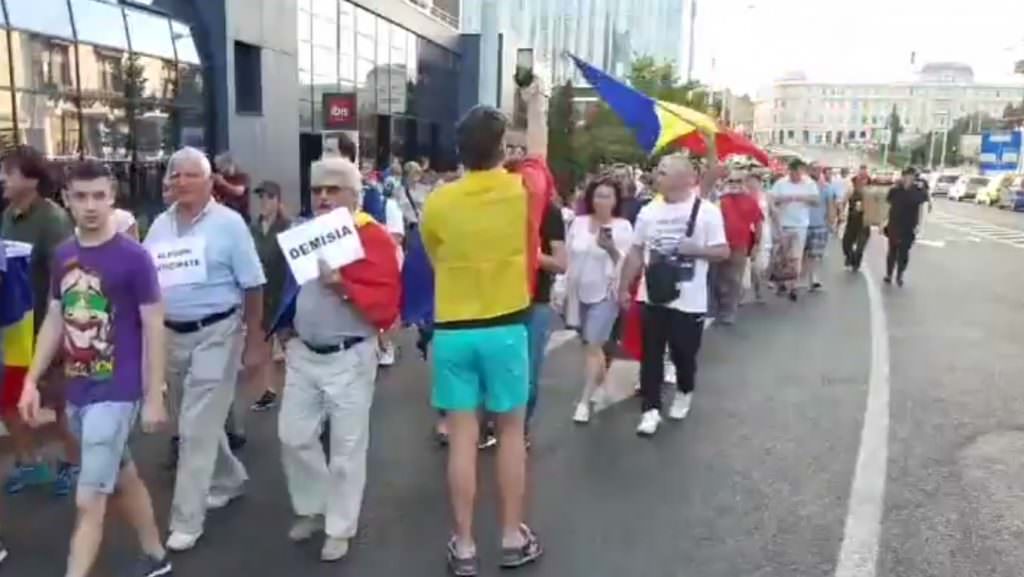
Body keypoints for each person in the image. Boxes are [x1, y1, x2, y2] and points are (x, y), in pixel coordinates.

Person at [20, 161, 172, 577]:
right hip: (78, 390)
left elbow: (154, 324)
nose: (90, 206)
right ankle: (156, 556)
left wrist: (154, 392)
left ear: (112, 198)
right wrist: (32, 380)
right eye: (81, 197)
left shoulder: (134, 258)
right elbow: (56, 316)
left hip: (118, 391)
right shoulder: (64, 254)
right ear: (66, 199)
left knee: (89, 499)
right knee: (122, 474)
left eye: (99, 196)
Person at [421, 105, 545, 575]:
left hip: (454, 328)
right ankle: (513, 537)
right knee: (511, 432)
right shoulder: (522, 190)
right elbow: (539, 155)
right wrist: (534, 103)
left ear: (459, 150)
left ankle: (466, 545)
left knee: (461, 439)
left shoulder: (439, 201)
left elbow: (435, 254)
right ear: (501, 148)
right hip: (507, 326)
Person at [272, 157, 401, 562]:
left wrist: (342, 285)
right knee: (293, 436)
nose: (324, 197)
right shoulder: (303, 233)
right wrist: (283, 327)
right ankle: (315, 506)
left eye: (333, 190)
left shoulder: (373, 237)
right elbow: (288, 286)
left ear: (354, 194)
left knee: (346, 451)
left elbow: (386, 305)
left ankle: (339, 526)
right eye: (317, 190)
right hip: (304, 354)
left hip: (350, 356)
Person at [144, 147, 266, 552]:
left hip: (218, 332)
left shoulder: (230, 225)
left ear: (210, 180)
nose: (180, 182)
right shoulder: (159, 226)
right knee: (195, 420)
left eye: (189, 175)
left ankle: (186, 520)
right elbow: (147, 282)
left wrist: (253, 342)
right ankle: (229, 478)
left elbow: (252, 285)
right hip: (172, 337)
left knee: (196, 428)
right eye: (174, 176)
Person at [618, 152, 729, 437]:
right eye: (658, 170)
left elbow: (722, 251)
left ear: (684, 178)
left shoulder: (706, 211)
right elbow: (635, 251)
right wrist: (623, 287)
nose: (657, 174)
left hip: (689, 300)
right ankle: (650, 409)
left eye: (664, 171)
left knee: (684, 354)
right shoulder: (649, 211)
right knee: (651, 355)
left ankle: (684, 389)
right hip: (652, 295)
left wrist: (697, 251)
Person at [0, 145, 79, 497]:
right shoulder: (8, 215)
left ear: (31, 179)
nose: (2, 178)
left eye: (10, 171)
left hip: (47, 328)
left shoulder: (53, 220)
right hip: (15, 328)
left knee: (60, 402)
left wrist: (62, 333)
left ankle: (76, 465)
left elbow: (67, 278)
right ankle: (30, 463)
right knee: (7, 400)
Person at [564, 177, 631, 423]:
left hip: (606, 293)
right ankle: (600, 383)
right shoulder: (578, 223)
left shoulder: (622, 227)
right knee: (589, 345)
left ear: (616, 201)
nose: (602, 201)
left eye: (607, 196)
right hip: (578, 292)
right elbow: (569, 257)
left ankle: (583, 402)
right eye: (598, 195)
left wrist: (611, 249)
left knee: (593, 344)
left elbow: (627, 263)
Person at [249, 182, 292, 412]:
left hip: (281, 291)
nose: (264, 202)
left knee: (288, 343)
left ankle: (299, 387)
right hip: (262, 292)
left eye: (269, 197)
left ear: (277, 201)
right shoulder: (254, 227)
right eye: (262, 198)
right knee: (264, 345)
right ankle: (268, 389)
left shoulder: (287, 227)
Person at [715, 174, 764, 324]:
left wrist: (756, 244)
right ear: (726, 182)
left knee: (734, 279)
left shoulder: (750, 201)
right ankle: (720, 308)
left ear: (743, 184)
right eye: (731, 181)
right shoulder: (720, 201)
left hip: (740, 246)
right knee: (719, 279)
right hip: (719, 246)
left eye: (738, 181)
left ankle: (729, 311)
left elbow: (758, 223)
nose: (734, 184)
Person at [768, 159, 819, 301]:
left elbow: (816, 201)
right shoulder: (781, 183)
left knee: (796, 256)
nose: (794, 175)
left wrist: (801, 197)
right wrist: (783, 199)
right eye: (792, 172)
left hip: (800, 224)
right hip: (782, 223)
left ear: (801, 171)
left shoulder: (809, 183)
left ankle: (793, 285)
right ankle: (780, 281)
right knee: (780, 255)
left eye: (797, 172)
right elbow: (772, 200)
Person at [884, 167, 930, 286]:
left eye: (911, 176)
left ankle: (900, 274)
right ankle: (889, 274)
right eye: (906, 176)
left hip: (909, 226)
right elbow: (888, 205)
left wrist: (920, 226)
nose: (909, 178)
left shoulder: (918, 191)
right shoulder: (895, 189)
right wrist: (883, 221)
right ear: (903, 176)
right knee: (892, 251)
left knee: (903, 253)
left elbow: (923, 206)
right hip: (894, 224)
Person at [804, 165, 837, 291]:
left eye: (818, 170)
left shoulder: (826, 188)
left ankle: (813, 278)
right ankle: (800, 277)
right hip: (802, 225)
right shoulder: (803, 187)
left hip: (819, 225)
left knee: (815, 254)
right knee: (802, 254)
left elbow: (830, 206)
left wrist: (830, 222)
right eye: (813, 169)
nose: (815, 172)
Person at [747, 174, 773, 303]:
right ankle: (753, 290)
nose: (751, 185)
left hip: (764, 232)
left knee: (761, 265)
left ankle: (758, 288)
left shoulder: (766, 196)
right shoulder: (743, 197)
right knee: (749, 264)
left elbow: (774, 213)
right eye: (749, 183)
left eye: (754, 182)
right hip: (748, 232)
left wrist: (780, 232)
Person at [842, 175, 871, 271]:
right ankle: (850, 257)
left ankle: (856, 263)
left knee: (860, 247)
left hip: (864, 224)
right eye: (856, 183)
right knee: (846, 244)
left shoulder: (869, 194)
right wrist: (841, 213)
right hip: (852, 223)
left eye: (862, 182)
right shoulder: (851, 192)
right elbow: (843, 202)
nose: (859, 185)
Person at [212, 152, 251, 223]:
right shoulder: (222, 177)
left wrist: (223, 183)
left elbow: (239, 191)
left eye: (223, 167)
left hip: (240, 214)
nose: (221, 171)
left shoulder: (242, 177)